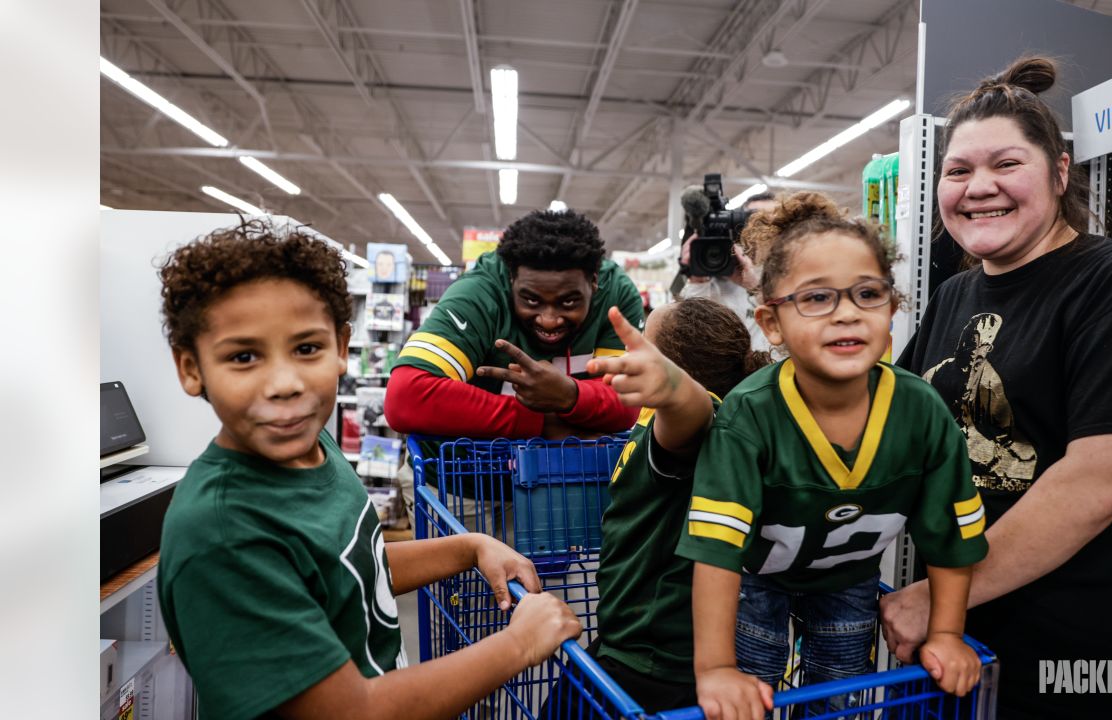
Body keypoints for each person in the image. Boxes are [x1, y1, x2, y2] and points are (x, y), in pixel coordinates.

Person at [155, 220, 582, 720]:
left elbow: (351, 570)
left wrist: (469, 547)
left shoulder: (315, 448)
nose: (285, 383)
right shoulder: (223, 534)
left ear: (341, 347)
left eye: (306, 348)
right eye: (244, 356)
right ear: (190, 367)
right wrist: (519, 646)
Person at [882, 56, 1112, 719]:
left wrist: (938, 598)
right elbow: (888, 422)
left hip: (1090, 657)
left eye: (1005, 165)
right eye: (959, 171)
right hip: (972, 644)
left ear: (1060, 172)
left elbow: (1105, 477)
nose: (978, 186)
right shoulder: (956, 292)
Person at [675, 193, 990, 720]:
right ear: (771, 325)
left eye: (867, 293)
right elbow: (716, 552)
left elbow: (952, 537)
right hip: (757, 576)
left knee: (839, 698)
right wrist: (714, 670)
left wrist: (947, 634)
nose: (846, 312)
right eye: (817, 298)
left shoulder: (922, 412)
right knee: (751, 687)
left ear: (892, 310)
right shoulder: (747, 417)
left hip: (848, 579)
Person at [548, 298, 770, 713]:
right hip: (627, 638)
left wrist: (675, 390)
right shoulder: (651, 419)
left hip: (651, 663)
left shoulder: (692, 431)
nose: (632, 353)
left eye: (645, 343)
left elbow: (694, 410)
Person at [384, 208, 643, 441]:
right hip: (463, 481)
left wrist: (569, 395)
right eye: (531, 300)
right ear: (511, 280)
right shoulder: (478, 292)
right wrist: (539, 422)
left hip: (570, 479)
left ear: (594, 283)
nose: (549, 320)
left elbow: (628, 401)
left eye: (568, 302)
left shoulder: (615, 297)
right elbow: (406, 397)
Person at [678, 192, 777, 354]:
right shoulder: (719, 267)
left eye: (772, 220)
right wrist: (697, 277)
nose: (763, 228)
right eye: (753, 219)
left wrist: (755, 288)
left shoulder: (790, 274)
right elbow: (691, 333)